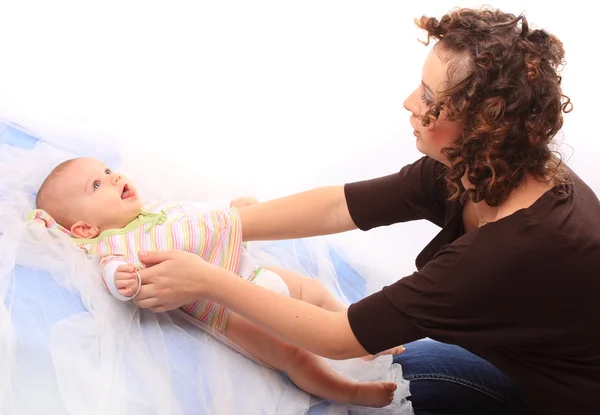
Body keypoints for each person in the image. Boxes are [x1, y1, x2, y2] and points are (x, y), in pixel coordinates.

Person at [128, 6, 600, 415]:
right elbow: (339, 205)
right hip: (522, 363)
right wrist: (210, 225)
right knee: (392, 370)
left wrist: (206, 280)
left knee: (362, 383)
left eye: (431, 100)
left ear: (484, 125)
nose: (409, 103)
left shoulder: (513, 246)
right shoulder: (484, 167)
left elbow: (339, 335)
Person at [29, 157, 408, 410]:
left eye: (108, 171)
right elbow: (111, 268)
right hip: (224, 310)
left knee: (315, 292)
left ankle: (363, 341)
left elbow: (203, 212)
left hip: (246, 270)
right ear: (84, 228)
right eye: (96, 186)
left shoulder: (161, 211)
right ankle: (350, 392)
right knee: (291, 357)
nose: (113, 178)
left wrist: (233, 204)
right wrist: (119, 280)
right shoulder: (113, 244)